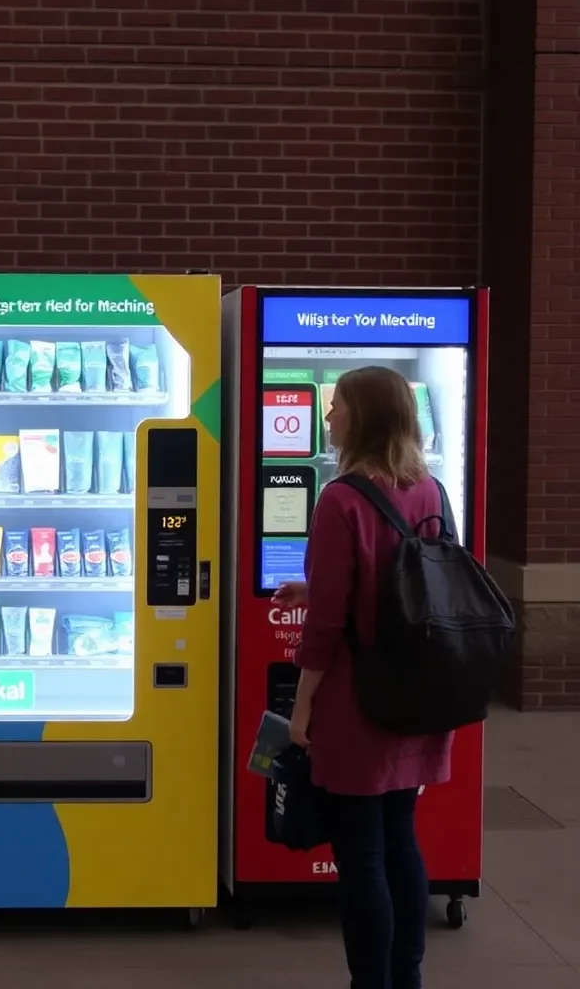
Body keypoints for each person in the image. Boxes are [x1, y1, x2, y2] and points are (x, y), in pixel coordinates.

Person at [272, 365, 454, 989]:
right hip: (417, 693)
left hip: (356, 702)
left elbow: (324, 629)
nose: (328, 419)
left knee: (362, 857)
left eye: (337, 407)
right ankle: (407, 978)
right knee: (401, 840)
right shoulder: (428, 488)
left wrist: (300, 711)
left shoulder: (340, 499)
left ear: (364, 417)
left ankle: (367, 983)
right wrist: (314, 583)